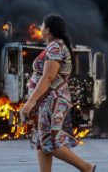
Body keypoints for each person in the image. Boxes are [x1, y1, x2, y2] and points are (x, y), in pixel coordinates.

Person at [20, 14, 95, 172]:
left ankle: (86, 168)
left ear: (47, 29)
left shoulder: (55, 47)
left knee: (50, 141)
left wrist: (31, 101)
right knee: (42, 141)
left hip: (52, 99)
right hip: (47, 99)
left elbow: (48, 77)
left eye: (42, 26)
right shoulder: (55, 46)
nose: (40, 29)